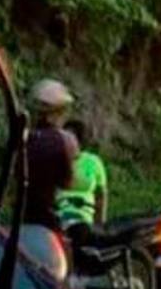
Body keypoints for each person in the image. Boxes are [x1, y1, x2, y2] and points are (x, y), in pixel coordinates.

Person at [24, 79, 78, 231]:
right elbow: (68, 182)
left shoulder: (23, 137)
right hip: (48, 216)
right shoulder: (65, 140)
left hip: (21, 215)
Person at [56, 119, 108, 244]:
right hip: (58, 214)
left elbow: (101, 195)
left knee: (80, 234)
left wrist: (100, 223)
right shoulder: (56, 160)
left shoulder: (93, 162)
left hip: (83, 216)